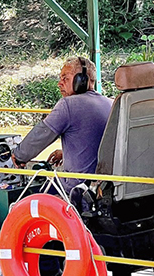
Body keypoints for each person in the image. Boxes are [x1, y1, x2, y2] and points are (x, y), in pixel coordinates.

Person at [12, 56, 112, 193]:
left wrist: (17, 156)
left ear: (81, 81)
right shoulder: (110, 103)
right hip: (102, 186)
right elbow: (95, 144)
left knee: (29, 194)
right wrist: (66, 154)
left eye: (65, 78)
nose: (59, 83)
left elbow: (41, 136)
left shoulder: (68, 105)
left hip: (76, 188)